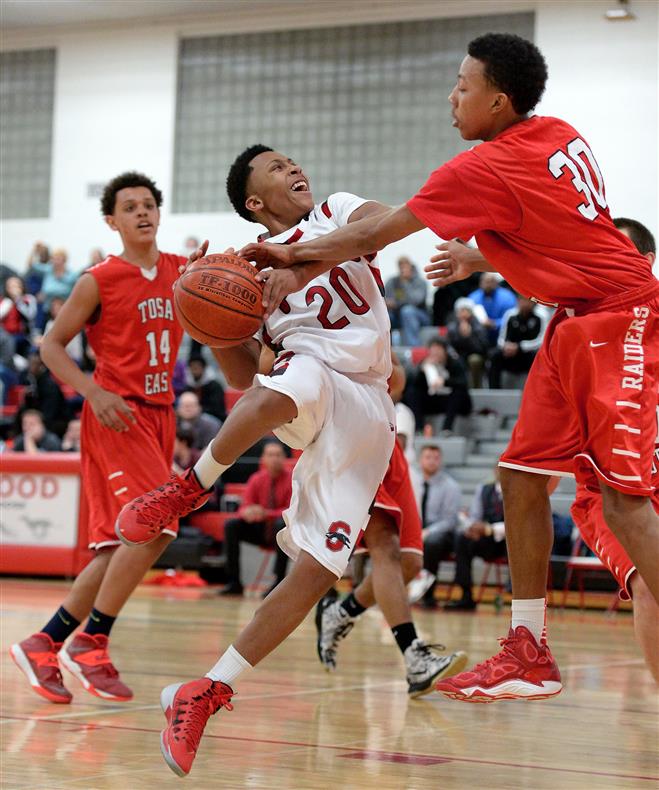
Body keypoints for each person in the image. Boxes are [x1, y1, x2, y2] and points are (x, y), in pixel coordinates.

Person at [243, 33, 659, 703]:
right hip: (574, 316)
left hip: (618, 315)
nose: (451, 95)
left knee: (623, 500)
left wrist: (287, 257)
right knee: (519, 476)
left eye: (462, 86)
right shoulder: (556, 132)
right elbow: (563, 237)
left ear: (497, 100)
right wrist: (477, 259)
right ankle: (527, 650)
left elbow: (369, 237)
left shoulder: (479, 169)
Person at [115, 144, 400, 777]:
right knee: (294, 381)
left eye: (293, 161)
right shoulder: (239, 271)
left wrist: (296, 264)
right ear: (253, 202)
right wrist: (211, 327)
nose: (295, 168)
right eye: (276, 167)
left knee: (321, 565)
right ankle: (189, 487)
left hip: (368, 406)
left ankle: (207, 689)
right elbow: (250, 377)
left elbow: (390, 223)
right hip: (310, 377)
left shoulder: (335, 210)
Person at [10, 171, 188, 705]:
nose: (142, 212)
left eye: (149, 204)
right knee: (154, 525)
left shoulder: (183, 270)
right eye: (129, 207)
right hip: (116, 414)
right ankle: (93, 640)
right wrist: (94, 392)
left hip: (160, 417)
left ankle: (45, 642)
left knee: (120, 544)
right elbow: (51, 347)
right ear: (111, 221)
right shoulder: (99, 279)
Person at [315, 355, 467, 696]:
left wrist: (384, 366)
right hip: (351, 435)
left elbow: (396, 381)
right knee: (385, 545)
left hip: (389, 441)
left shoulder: (374, 316)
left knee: (410, 564)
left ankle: (341, 612)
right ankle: (415, 659)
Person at [221, 439, 291, 597]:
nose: (274, 459)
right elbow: (244, 506)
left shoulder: (293, 480)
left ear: (284, 458)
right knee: (231, 525)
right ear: (263, 459)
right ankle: (234, 582)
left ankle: (278, 582)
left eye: (278, 455)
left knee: (282, 524)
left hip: (283, 532)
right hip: (261, 529)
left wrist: (265, 513)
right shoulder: (256, 479)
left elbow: (292, 512)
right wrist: (247, 512)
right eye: (270, 455)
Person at [407, 444, 462, 608]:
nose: (432, 461)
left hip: (441, 532)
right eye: (428, 457)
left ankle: (427, 594)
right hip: (415, 527)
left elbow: (450, 520)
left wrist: (428, 531)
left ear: (441, 461)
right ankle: (400, 590)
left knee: (432, 542)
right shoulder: (412, 482)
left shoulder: (450, 486)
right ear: (420, 460)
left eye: (436, 458)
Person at [444, 466, 506, 611]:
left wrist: (489, 529)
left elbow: (518, 525)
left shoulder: (519, 492)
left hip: (508, 543)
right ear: (495, 471)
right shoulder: (483, 489)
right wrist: (472, 528)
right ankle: (466, 595)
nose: (501, 473)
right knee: (462, 539)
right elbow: (474, 516)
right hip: (486, 540)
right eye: (499, 469)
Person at [411, 338, 471, 434]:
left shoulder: (455, 363)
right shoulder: (425, 363)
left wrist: (444, 382)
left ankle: (447, 428)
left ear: (445, 351)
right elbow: (414, 383)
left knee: (458, 392)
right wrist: (421, 371)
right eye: (433, 351)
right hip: (433, 399)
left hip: (451, 401)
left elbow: (463, 383)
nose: (436, 354)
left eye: (439, 350)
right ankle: (419, 428)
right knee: (413, 392)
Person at [488, 295, 548, 388]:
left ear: (534, 302)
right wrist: (506, 346)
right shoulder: (510, 314)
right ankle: (494, 389)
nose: (525, 304)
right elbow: (501, 338)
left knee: (537, 356)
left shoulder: (541, 316)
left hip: (528, 353)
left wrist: (520, 347)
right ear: (518, 301)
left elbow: (542, 340)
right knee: (495, 355)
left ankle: (535, 389)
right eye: (522, 300)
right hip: (510, 353)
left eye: (528, 301)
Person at [384, 256, 430, 345]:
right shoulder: (392, 281)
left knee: (407, 311)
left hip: (419, 314)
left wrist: (405, 283)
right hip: (396, 314)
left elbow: (416, 301)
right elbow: (384, 298)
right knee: (385, 316)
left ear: (410, 266)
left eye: (405, 266)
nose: (402, 270)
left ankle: (413, 347)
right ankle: (386, 347)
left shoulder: (420, 282)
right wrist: (388, 303)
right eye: (400, 267)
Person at [446, 297, 489, 388]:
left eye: (465, 311)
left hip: (474, 354)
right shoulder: (452, 326)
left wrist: (468, 336)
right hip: (458, 355)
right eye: (460, 311)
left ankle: (475, 388)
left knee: (474, 360)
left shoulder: (478, 325)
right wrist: (452, 353)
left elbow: (482, 348)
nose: (463, 314)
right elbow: (448, 345)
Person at [468, 272, 516, 345]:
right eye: (485, 281)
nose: (488, 285)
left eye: (490, 282)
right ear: (480, 283)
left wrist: (495, 324)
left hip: (502, 335)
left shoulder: (508, 297)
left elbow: (513, 318)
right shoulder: (473, 298)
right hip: (479, 335)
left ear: (496, 283)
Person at [0, 276, 37, 358]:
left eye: (16, 285)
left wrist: (18, 300)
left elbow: (30, 315)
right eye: (11, 286)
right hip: (6, 336)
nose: (14, 289)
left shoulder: (29, 299)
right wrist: (8, 304)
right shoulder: (5, 301)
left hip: (26, 336)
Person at [184, 355, 226, 422]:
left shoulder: (215, 386)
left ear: (204, 368)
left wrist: (199, 410)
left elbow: (217, 409)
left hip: (215, 419)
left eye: (197, 367)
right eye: (193, 367)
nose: (195, 370)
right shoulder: (187, 386)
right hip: (192, 418)